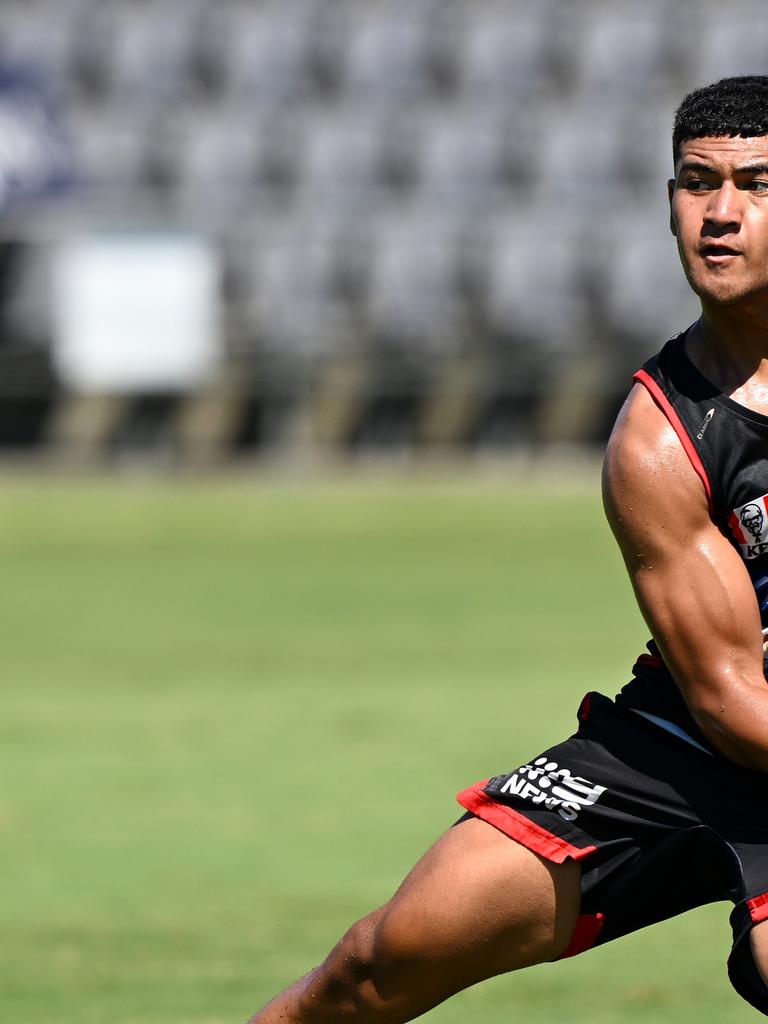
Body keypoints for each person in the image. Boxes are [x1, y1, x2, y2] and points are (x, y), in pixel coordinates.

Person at [248, 75, 768, 1022]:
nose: (721, 214)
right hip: (688, 741)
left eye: (758, 185)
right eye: (699, 183)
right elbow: (732, 701)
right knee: (377, 963)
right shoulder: (660, 440)